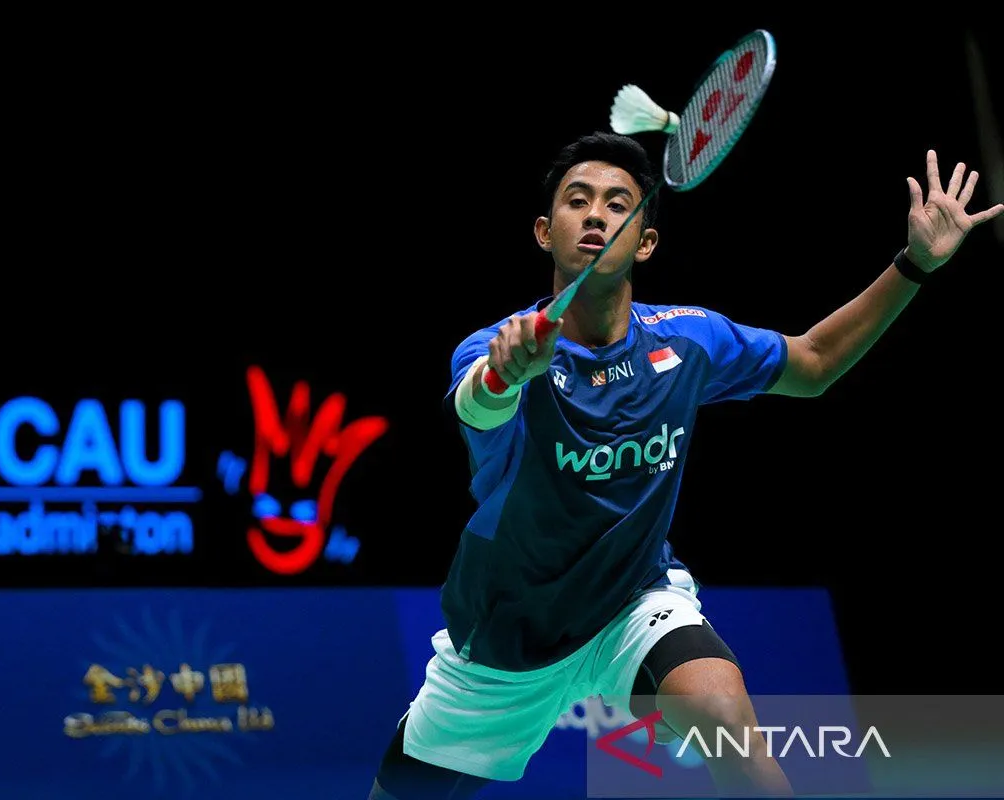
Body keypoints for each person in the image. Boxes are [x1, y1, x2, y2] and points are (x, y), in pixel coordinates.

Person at [367, 132, 1003, 800]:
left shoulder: (687, 338)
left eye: (617, 204)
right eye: (577, 201)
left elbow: (814, 362)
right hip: (506, 636)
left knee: (727, 721)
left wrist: (914, 265)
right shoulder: (499, 346)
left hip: (632, 603)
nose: (595, 215)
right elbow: (478, 403)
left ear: (645, 242)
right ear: (544, 232)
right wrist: (507, 372)